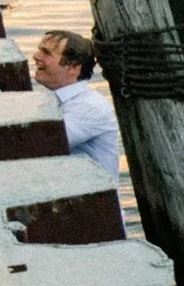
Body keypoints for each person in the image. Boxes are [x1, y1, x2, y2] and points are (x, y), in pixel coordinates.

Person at [30, 31, 119, 177]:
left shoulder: (89, 107)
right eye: (39, 49)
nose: (36, 56)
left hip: (94, 198)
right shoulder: (54, 99)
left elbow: (41, 144)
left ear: (73, 67)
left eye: (46, 53)